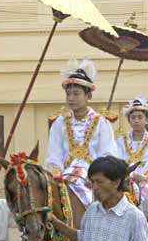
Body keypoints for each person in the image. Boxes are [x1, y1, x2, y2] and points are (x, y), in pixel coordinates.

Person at [45, 58, 117, 206]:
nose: (71, 98)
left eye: (76, 94)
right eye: (68, 94)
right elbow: (53, 156)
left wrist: (96, 179)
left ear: (88, 96)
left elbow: (107, 154)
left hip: (94, 178)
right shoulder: (59, 123)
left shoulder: (101, 122)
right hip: (63, 176)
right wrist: (57, 177)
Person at [116, 97, 148, 203]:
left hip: (147, 179)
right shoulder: (121, 140)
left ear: (146, 120)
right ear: (129, 120)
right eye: (133, 118)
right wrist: (131, 175)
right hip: (126, 177)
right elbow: (118, 161)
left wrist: (143, 176)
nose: (136, 120)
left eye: (140, 117)